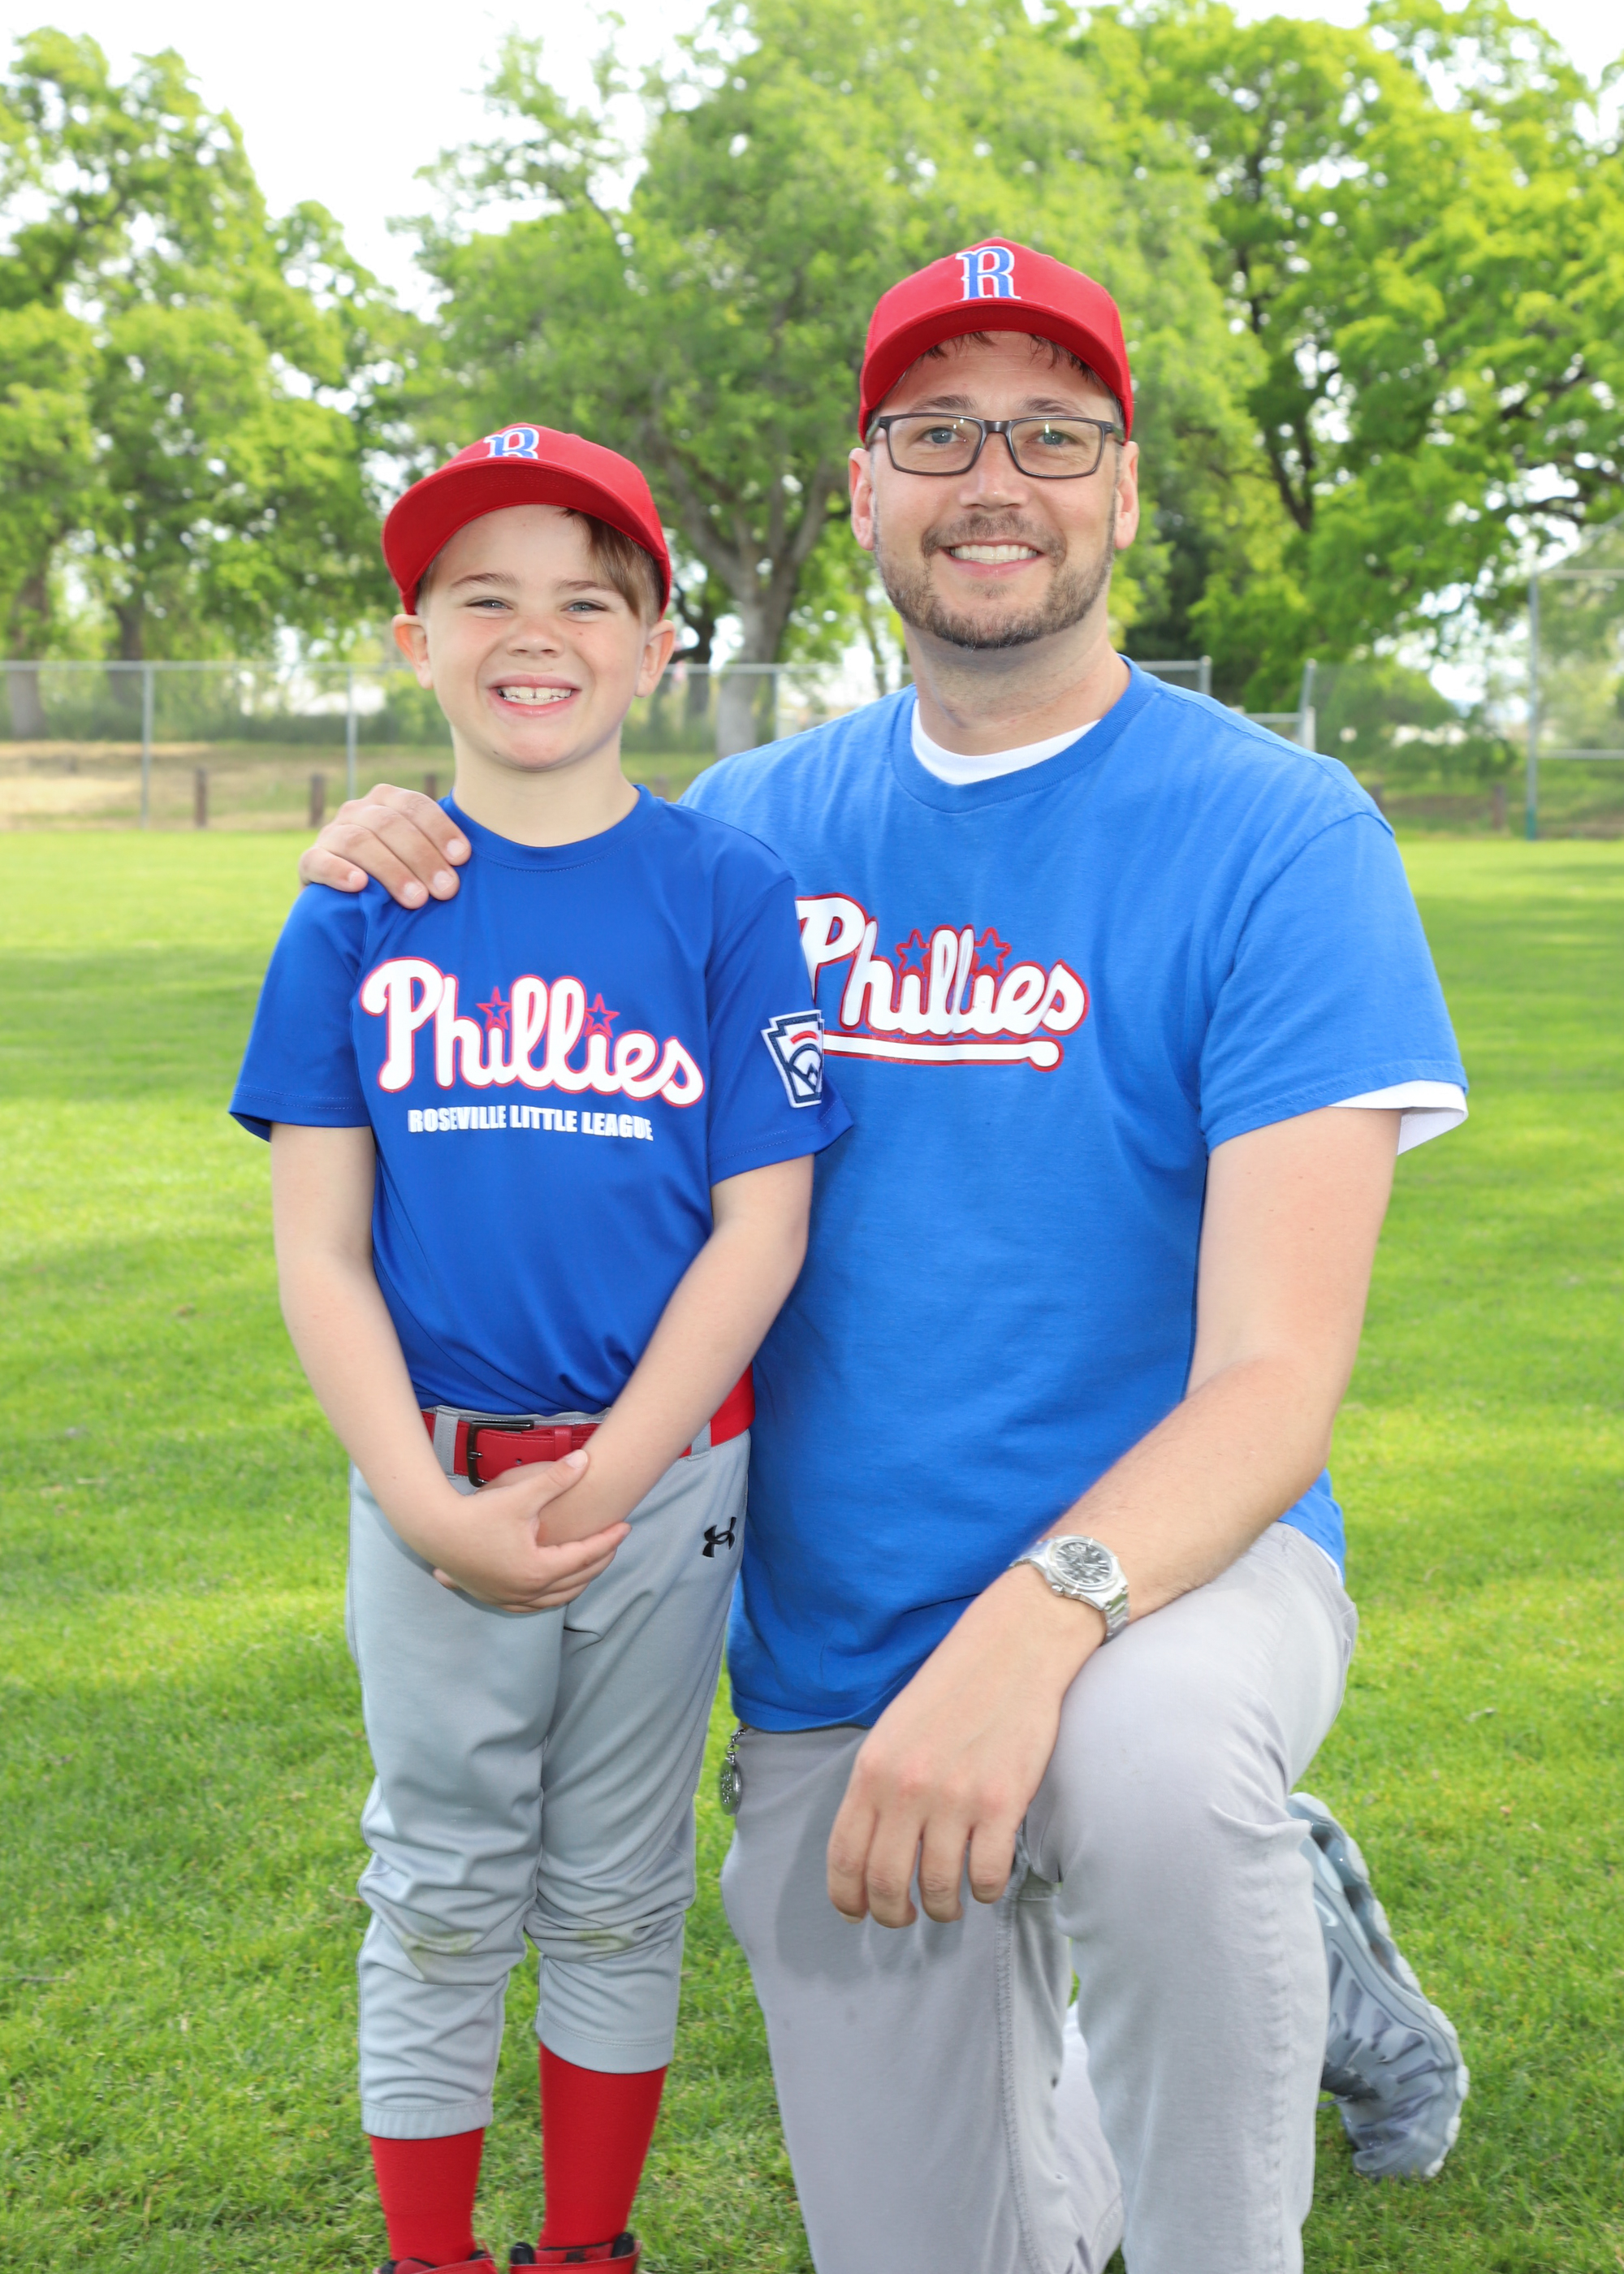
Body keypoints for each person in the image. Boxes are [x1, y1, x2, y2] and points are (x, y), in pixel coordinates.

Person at [298, 245, 1470, 2273]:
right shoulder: (748, 828)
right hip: (840, 1647)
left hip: (1165, 1577)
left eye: (1052, 433)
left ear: (1123, 488)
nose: (991, 477)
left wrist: (1032, 1629)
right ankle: (1267, 1928)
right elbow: (516, 981)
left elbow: (1278, 1376)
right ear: (862, 489)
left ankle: (1211, 1899)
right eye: (935, 431)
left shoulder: (1281, 830)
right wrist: (397, 839)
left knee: (1151, 1776)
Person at [230, 425, 849, 2274]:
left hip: (671, 1473)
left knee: (616, 1884)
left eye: (589, 599)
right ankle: (430, 2257)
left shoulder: (725, 892)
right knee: (435, 1878)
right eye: (482, 595)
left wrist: (617, 1469)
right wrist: (425, 1506)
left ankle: (585, 2248)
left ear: (656, 646)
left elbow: (763, 1226)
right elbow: (319, 1247)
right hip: (431, 1471)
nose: (535, 633)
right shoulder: (358, 902)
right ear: (413, 639)